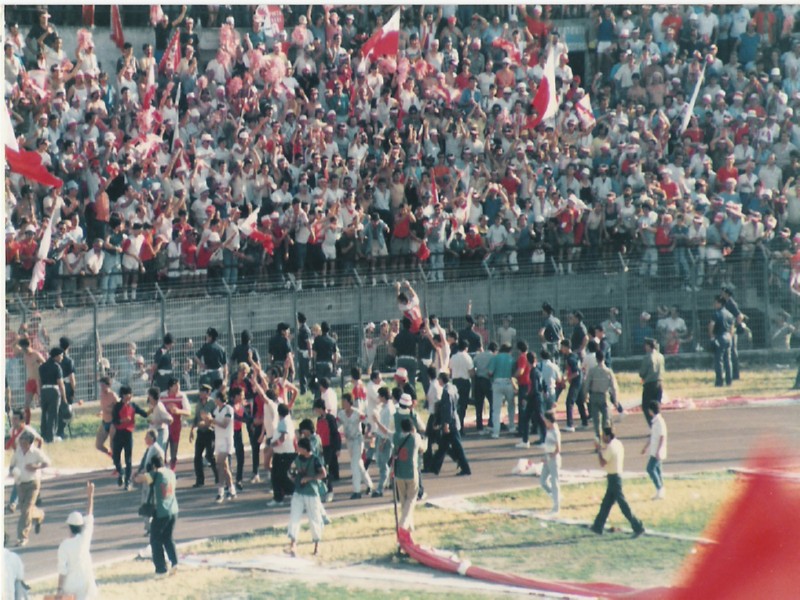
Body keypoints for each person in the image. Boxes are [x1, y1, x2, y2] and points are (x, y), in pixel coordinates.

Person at [590, 426, 645, 537]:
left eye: (603, 436)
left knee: (623, 505)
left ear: (608, 436)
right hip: (614, 477)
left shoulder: (611, 447)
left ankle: (638, 526)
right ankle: (597, 526)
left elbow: (602, 463)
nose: (602, 438)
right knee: (606, 504)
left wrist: (598, 450)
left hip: (614, 478)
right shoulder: (617, 444)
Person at [134, 454, 179, 577]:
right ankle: (174, 562)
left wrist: (141, 473)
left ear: (154, 465)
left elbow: (139, 479)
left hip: (161, 512)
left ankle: (161, 569)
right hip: (173, 510)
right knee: (168, 538)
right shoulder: (171, 472)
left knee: (155, 540)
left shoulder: (156, 474)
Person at [286, 437, 327, 557]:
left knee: (314, 519)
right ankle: (293, 544)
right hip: (299, 491)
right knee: (294, 517)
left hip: (312, 492)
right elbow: (290, 472)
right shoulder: (298, 459)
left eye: (299, 447)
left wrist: (310, 478)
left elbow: (323, 473)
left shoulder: (315, 460)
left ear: (304, 448)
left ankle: (316, 546)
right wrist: (295, 479)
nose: (297, 449)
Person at [56, 482, 98, 600]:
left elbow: (62, 570)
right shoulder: (85, 538)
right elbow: (89, 514)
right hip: (87, 584)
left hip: (71, 586)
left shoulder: (64, 546)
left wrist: (59, 590)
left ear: (69, 527)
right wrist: (90, 495)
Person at [11, 430, 49, 546]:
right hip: (20, 484)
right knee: (24, 510)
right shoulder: (17, 452)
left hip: (33, 484)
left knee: (26, 510)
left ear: (30, 443)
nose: (22, 445)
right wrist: (12, 471)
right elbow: (12, 464)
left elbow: (47, 463)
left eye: (24, 442)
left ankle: (22, 537)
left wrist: (36, 467)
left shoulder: (36, 453)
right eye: (21, 442)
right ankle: (39, 514)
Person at [430, 372, 471, 476]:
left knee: (457, 448)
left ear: (441, 380)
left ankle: (466, 468)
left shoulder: (446, 392)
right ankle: (434, 467)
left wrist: (446, 424)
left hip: (451, 423)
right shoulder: (453, 388)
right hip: (453, 421)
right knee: (443, 446)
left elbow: (447, 409)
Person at [111, 385, 148, 490]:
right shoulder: (117, 406)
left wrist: (152, 408)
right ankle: (121, 473)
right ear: (122, 395)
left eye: (131, 394)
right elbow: (114, 420)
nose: (130, 396)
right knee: (115, 457)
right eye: (128, 394)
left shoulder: (133, 405)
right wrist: (123, 420)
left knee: (128, 459)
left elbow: (144, 414)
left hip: (128, 434)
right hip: (119, 434)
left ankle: (127, 481)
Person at [338, 393, 373, 499]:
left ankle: (357, 491)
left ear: (350, 402)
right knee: (359, 464)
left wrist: (368, 432)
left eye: (344, 401)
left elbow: (368, 422)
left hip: (358, 440)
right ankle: (370, 485)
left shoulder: (357, 413)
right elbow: (336, 424)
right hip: (349, 441)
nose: (343, 403)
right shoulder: (341, 414)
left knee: (354, 464)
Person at [393, 417, 423, 531]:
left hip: (399, 472)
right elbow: (422, 448)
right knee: (411, 499)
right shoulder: (416, 438)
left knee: (403, 499)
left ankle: (410, 525)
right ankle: (403, 524)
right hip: (411, 472)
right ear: (412, 427)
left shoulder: (396, 437)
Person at [207, 389, 236, 503]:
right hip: (218, 441)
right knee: (224, 467)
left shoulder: (229, 409)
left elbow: (224, 424)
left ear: (219, 399)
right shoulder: (216, 410)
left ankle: (220, 492)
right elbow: (213, 424)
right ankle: (232, 489)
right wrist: (207, 420)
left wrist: (212, 420)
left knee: (220, 466)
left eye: (215, 398)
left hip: (227, 441)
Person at [583, 350, 620, 439]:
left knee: (596, 420)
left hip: (594, 396)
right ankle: (605, 436)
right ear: (604, 358)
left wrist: (585, 395)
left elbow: (586, 384)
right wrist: (615, 399)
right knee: (606, 419)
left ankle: (597, 436)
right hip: (604, 396)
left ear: (596, 359)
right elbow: (614, 387)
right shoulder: (608, 371)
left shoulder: (592, 371)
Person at [136, 430, 165, 535]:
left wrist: (143, 474)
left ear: (152, 438)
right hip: (148, 478)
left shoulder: (156, 449)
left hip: (152, 479)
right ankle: (148, 526)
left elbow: (154, 466)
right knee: (146, 501)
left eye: (147, 437)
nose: (145, 439)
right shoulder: (150, 449)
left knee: (149, 502)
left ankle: (151, 527)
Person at [189, 384, 218, 488]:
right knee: (197, 457)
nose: (201, 394)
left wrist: (208, 422)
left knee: (210, 455)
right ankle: (200, 480)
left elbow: (216, 417)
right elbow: (196, 418)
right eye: (200, 391)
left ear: (208, 393)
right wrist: (192, 430)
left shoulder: (212, 404)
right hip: (200, 433)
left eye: (203, 392)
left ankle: (218, 476)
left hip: (210, 433)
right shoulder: (198, 404)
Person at [160, 377, 191, 471]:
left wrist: (178, 411)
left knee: (174, 448)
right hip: (164, 425)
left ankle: (172, 468)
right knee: (163, 447)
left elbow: (188, 412)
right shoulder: (162, 396)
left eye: (179, 385)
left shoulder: (182, 396)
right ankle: (163, 468)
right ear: (170, 387)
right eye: (175, 385)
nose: (178, 387)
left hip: (176, 425)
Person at [268, 403, 296, 506]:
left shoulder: (284, 422)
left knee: (281, 476)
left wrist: (273, 444)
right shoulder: (286, 421)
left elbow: (283, 438)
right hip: (280, 453)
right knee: (275, 475)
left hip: (285, 453)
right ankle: (278, 497)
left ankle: (293, 491)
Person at [313, 399, 341, 501]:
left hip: (330, 447)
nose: (315, 411)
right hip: (321, 448)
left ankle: (330, 491)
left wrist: (337, 448)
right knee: (321, 469)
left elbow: (335, 434)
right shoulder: (319, 419)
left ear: (320, 408)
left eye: (316, 409)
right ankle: (324, 490)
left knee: (326, 469)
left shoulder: (330, 418)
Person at [39, 347, 67, 443]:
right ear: (56, 356)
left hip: (43, 391)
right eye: (61, 355)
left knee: (44, 414)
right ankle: (50, 437)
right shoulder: (57, 367)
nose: (62, 357)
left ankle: (43, 435)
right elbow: (61, 383)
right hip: (53, 391)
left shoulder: (42, 367)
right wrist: (64, 397)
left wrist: (39, 394)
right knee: (53, 414)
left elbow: (39, 382)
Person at [371, 386, 395, 497]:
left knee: (383, 463)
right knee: (381, 462)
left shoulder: (388, 410)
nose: (378, 398)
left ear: (383, 396)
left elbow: (386, 428)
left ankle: (380, 488)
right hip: (382, 437)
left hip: (385, 438)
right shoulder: (385, 407)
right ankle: (388, 482)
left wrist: (382, 441)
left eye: (379, 395)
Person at [16, 336, 45, 425]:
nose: (24, 351)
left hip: (38, 381)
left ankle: (45, 422)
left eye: (25, 348)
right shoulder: (25, 356)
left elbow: (45, 363)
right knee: (26, 404)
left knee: (42, 403)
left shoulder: (36, 354)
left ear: (28, 346)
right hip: (30, 381)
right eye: (23, 349)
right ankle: (27, 424)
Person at [488, 343, 515, 438]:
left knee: (496, 409)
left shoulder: (495, 358)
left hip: (497, 383)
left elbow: (490, 372)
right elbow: (514, 371)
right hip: (508, 382)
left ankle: (496, 431)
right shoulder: (511, 358)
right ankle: (512, 426)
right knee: (511, 406)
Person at [642, 401, 668, 500]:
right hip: (654, 450)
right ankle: (661, 490)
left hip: (657, 451)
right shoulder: (655, 422)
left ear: (651, 410)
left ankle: (659, 488)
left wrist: (659, 450)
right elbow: (652, 436)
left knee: (650, 469)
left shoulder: (659, 422)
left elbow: (662, 437)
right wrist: (645, 447)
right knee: (658, 470)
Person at [559, 340, 587, 432]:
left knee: (569, 402)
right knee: (579, 401)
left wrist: (566, 379)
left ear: (566, 347)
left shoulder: (570, 358)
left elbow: (576, 372)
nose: (561, 349)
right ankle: (584, 421)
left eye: (562, 347)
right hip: (579, 380)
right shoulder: (574, 355)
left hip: (576, 381)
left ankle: (570, 424)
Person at [709, 295, 735, 388]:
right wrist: (730, 337)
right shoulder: (730, 314)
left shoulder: (716, 313)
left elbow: (712, 325)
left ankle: (719, 382)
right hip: (728, 337)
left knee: (718, 360)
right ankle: (729, 381)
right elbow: (732, 327)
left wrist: (712, 337)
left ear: (720, 303)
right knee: (728, 360)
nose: (714, 304)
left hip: (720, 337)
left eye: (715, 303)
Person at [449, 339, 475, 431]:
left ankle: (455, 425)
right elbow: (472, 373)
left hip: (455, 382)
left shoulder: (453, 357)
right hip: (465, 382)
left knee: (455, 404)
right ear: (466, 348)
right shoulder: (467, 358)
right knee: (463, 405)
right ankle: (461, 426)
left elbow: (450, 371)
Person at [638, 338, 665, 426]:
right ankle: (659, 425)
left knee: (646, 406)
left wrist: (642, 376)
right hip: (660, 382)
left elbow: (642, 373)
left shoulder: (647, 357)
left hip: (650, 384)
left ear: (649, 346)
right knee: (656, 406)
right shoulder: (661, 356)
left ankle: (653, 425)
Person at [720, 286, 745, 380]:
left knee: (732, 352)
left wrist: (734, 327)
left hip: (731, 331)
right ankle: (728, 373)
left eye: (722, 292)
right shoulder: (724, 303)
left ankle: (735, 375)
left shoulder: (731, 303)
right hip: (726, 330)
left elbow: (739, 316)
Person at [539, 411, 561, 515]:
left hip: (553, 459)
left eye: (546, 421)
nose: (545, 423)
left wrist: (548, 457)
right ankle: (556, 497)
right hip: (548, 457)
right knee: (543, 481)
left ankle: (556, 507)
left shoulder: (555, 431)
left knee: (554, 482)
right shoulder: (550, 429)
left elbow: (558, 449)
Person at [55, 336, 77, 439]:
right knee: (66, 409)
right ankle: (61, 431)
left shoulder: (54, 358)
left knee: (58, 409)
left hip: (55, 385)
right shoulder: (69, 360)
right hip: (66, 386)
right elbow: (72, 378)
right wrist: (73, 390)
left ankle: (57, 431)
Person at [95, 376, 118, 459]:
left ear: (108, 385)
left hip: (113, 423)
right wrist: (101, 412)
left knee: (112, 444)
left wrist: (110, 410)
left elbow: (120, 409)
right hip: (105, 422)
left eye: (103, 385)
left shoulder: (113, 395)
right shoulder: (101, 395)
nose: (101, 387)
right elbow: (104, 407)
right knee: (98, 445)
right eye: (100, 385)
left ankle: (116, 463)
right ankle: (112, 455)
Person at [296, 312, 312, 395]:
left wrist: (310, 354)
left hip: (304, 353)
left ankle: (311, 388)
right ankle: (303, 391)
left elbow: (308, 343)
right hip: (302, 353)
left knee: (305, 372)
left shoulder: (304, 330)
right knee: (301, 373)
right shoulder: (302, 328)